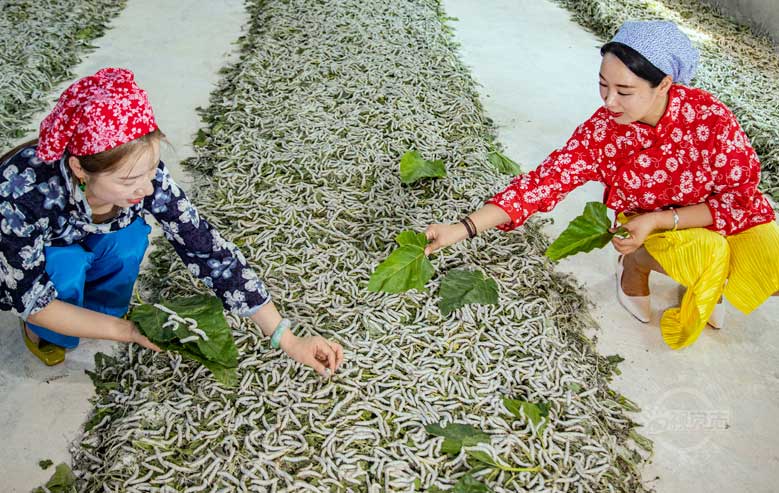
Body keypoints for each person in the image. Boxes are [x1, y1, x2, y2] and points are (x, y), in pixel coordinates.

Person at [424, 21, 778, 350]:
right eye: (603, 84)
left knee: (768, 254)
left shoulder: (710, 117)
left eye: (625, 91)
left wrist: (662, 219)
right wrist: (462, 228)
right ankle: (634, 269)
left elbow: (740, 197)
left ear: (665, 84)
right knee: (707, 252)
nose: (609, 102)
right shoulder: (604, 131)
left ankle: (705, 283)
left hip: (713, 214)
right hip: (643, 220)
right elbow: (543, 182)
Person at [0, 67, 344, 374]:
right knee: (67, 266)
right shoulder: (20, 194)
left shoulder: (146, 179)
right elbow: (32, 298)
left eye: (151, 170)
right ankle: (45, 332)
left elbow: (208, 251)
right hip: (44, 250)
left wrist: (287, 337)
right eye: (128, 180)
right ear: (78, 168)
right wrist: (129, 331)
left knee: (129, 240)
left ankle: (97, 312)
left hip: (95, 228)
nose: (146, 188)